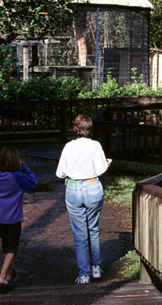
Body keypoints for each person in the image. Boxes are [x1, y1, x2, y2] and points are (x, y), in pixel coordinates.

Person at [56, 113, 110, 284]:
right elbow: (101, 169)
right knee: (92, 229)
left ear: (76, 128)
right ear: (90, 129)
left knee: (80, 234)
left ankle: (84, 274)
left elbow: (60, 173)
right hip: (93, 186)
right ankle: (96, 269)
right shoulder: (95, 146)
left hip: (73, 188)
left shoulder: (68, 147)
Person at [0, 146, 37, 293]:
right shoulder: (17, 177)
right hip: (13, 216)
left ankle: (9, 273)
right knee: (12, 247)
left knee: (5, 244)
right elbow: (33, 182)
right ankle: (2, 277)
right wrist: (23, 166)